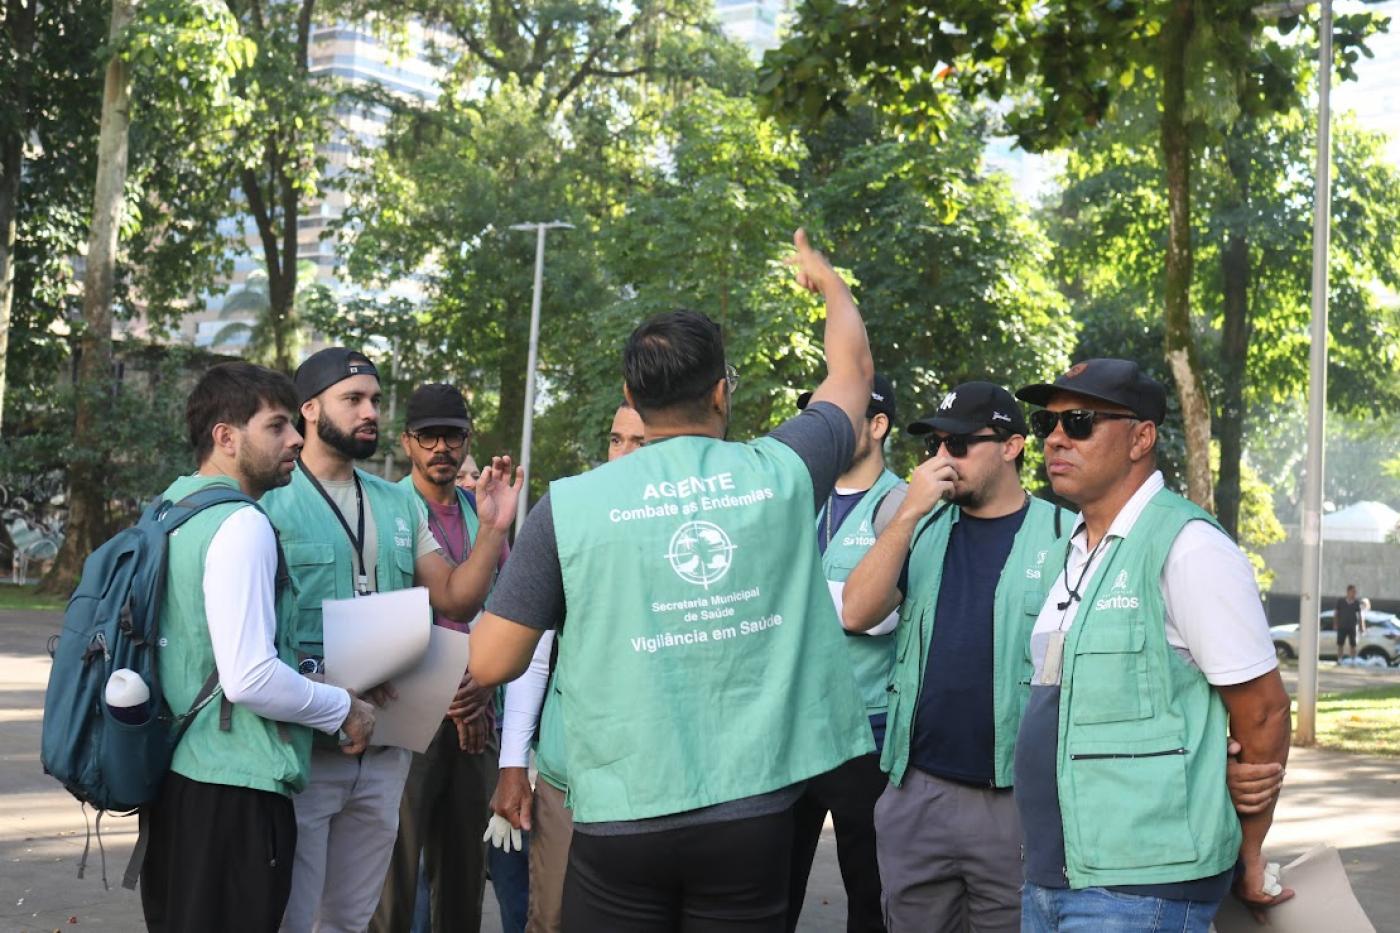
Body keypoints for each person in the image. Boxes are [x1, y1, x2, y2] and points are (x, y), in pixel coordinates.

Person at [469, 228, 877, 932]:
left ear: (631, 394)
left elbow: (491, 660)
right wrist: (829, 284)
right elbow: (853, 373)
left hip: (621, 816)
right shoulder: (782, 471)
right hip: (750, 817)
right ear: (722, 392)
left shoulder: (571, 505)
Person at [1012, 358, 1292, 931]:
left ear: (1141, 438)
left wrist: (1252, 849)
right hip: (1053, 877)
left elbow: (1262, 710)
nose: (1057, 439)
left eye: (1081, 422)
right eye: (1047, 424)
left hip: (1141, 890)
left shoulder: (1188, 547)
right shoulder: (1076, 548)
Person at [264, 348, 520, 933]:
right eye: (352, 399)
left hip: (386, 749)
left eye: (375, 400)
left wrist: (494, 528)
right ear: (309, 409)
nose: (369, 412)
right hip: (306, 749)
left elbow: (456, 598)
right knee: (295, 916)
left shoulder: (395, 503)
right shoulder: (270, 501)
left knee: (354, 920)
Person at [140, 362, 376, 933]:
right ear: (226, 437)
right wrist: (344, 707)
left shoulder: (171, 508)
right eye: (276, 426)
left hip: (174, 776)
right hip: (235, 790)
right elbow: (248, 677)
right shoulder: (241, 524)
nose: (296, 438)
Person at [841, 382, 1068, 933]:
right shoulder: (920, 529)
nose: (943, 458)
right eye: (935, 445)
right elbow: (856, 613)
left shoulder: (1066, 536)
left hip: (1012, 799)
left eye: (960, 444)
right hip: (915, 791)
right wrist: (907, 514)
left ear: (1012, 447)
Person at [490, 402, 648, 933]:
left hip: (654, 783)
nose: (622, 455)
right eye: (615, 439)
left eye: (640, 443)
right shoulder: (573, 516)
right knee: (552, 917)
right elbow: (531, 657)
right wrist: (514, 764)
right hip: (568, 778)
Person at [370, 383, 512, 933]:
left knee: (464, 877)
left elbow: (509, 607)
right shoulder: (387, 508)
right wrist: (451, 690)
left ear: (467, 439)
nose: (441, 448)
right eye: (428, 436)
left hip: (480, 706)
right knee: (394, 879)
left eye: (452, 436)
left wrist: (480, 689)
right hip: (409, 712)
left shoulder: (489, 513)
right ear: (407, 442)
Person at [786, 374, 907, 933]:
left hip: (866, 734)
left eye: (839, 414)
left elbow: (884, 613)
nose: (824, 428)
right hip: (792, 733)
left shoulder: (905, 505)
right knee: (769, 896)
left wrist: (797, 602)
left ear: (877, 425)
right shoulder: (797, 497)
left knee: (871, 895)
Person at [1335, 585, 1364, 664]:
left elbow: (1360, 615)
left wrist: (1361, 626)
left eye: (1355, 592)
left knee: (1353, 644)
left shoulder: (1356, 603)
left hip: (1352, 627)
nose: (1354, 594)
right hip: (1342, 626)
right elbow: (1336, 613)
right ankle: (1340, 659)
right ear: (1348, 592)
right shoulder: (1341, 601)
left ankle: (1353, 660)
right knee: (1340, 644)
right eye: (1353, 592)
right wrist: (1336, 624)